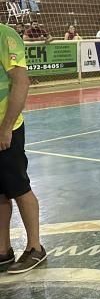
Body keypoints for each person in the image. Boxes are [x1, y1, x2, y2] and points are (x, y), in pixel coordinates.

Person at [0, 23, 47, 274]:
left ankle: (35, 248)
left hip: (6, 129)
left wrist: (7, 127)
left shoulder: (5, 36)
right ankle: (3, 251)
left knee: (19, 188)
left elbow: (21, 82)